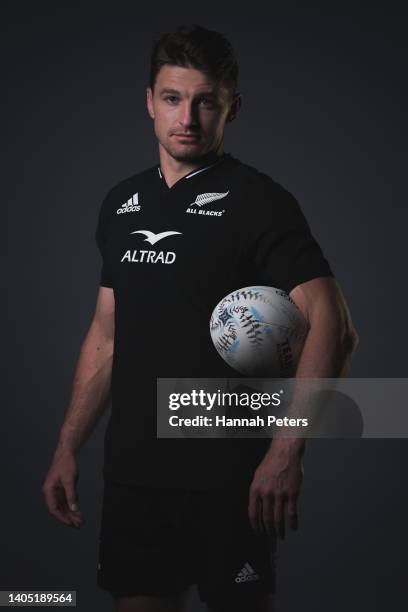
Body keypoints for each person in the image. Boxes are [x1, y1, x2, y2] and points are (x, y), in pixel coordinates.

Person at [42, 24, 359, 612]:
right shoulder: (120, 204)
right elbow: (107, 337)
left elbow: (334, 324)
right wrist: (67, 446)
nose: (187, 116)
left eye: (205, 100)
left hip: (231, 480)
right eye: (172, 98)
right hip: (134, 478)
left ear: (231, 108)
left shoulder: (258, 201)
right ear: (149, 102)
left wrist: (288, 449)